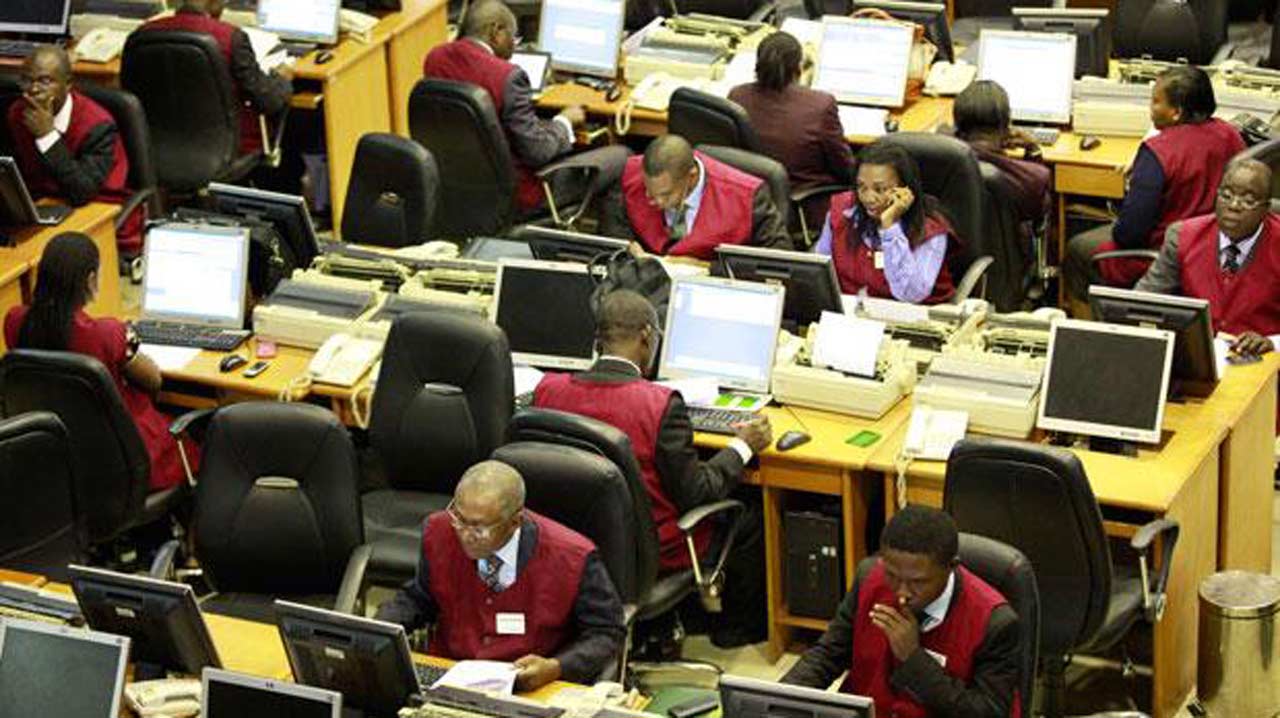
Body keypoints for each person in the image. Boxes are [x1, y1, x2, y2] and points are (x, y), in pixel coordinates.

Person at [532, 289, 771, 646]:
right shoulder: (658, 405)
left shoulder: (547, 390)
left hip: (569, 544)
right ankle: (734, 633)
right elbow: (697, 494)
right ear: (647, 335)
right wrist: (742, 446)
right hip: (652, 553)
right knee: (751, 516)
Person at [375, 461, 625, 691]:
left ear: (515, 521)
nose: (465, 534)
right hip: (447, 676)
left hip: (527, 687)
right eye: (459, 519)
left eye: (480, 527)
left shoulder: (573, 556)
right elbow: (420, 597)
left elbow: (606, 632)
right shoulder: (438, 530)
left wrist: (557, 667)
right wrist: (377, 629)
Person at [783, 506, 1021, 718]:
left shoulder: (994, 623)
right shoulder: (869, 578)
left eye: (918, 582)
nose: (902, 592)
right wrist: (779, 700)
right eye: (892, 576)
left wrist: (914, 658)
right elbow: (828, 655)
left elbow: (987, 711)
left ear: (951, 567)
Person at [3, 233, 193, 491]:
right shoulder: (105, 333)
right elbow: (153, 380)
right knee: (198, 438)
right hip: (125, 460)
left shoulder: (15, 322)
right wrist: (129, 343)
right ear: (91, 279)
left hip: (60, 460)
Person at [1064, 65, 1245, 304]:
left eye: (1156, 101)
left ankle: (1095, 329)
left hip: (1164, 255)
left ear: (1176, 113)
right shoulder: (1230, 134)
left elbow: (1129, 234)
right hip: (1212, 250)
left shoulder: (1158, 152)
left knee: (1078, 248)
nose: (1150, 109)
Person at [422, 0, 586, 213]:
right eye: (513, 37)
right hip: (519, 194)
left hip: (455, 189)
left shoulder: (435, 58)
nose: (513, 46)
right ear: (496, 31)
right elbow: (537, 152)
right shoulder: (506, 75)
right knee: (620, 157)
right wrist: (564, 122)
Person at [1136, 158, 1280, 357]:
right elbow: (1142, 301)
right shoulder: (1182, 235)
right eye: (1226, 195)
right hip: (1197, 358)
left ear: (1266, 208)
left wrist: (1271, 342)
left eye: (1248, 200)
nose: (1234, 206)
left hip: (1265, 364)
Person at [5, 46, 142, 254]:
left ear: (68, 84)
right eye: (26, 80)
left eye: (44, 81)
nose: (33, 90)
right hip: (41, 207)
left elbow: (82, 192)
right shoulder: (17, 114)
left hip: (94, 206)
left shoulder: (97, 125)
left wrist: (47, 136)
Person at [728, 31, 853, 231]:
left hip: (752, 200)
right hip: (805, 204)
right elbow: (845, 169)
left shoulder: (737, 96)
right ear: (798, 67)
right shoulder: (821, 105)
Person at [136, 0, 293, 157]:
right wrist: (281, 78)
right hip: (227, 147)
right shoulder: (230, 38)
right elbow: (268, 101)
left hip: (158, 148)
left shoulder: (142, 34)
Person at [815, 140, 959, 303]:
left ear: (904, 189)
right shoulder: (842, 212)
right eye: (861, 187)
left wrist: (890, 226)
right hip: (852, 316)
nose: (869, 198)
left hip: (915, 320)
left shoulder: (930, 230)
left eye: (880, 189)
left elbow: (910, 295)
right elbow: (820, 273)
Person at [604, 134, 792, 259]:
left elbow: (780, 256)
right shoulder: (630, 175)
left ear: (691, 176)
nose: (656, 202)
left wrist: (712, 269)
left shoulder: (747, 196)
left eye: (666, 195)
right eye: (649, 192)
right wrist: (629, 250)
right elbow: (613, 230)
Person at [952, 80, 1051, 260]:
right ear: (1006, 124)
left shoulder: (940, 162)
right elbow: (1039, 210)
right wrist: (1033, 150)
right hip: (1004, 267)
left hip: (951, 264)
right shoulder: (1030, 179)